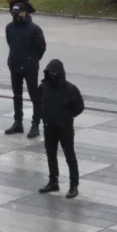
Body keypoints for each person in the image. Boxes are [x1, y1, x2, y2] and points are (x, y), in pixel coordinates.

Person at [37, 59, 84, 199]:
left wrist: (66, 116)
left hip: (65, 128)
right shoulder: (44, 87)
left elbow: (79, 107)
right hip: (49, 126)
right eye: (49, 72)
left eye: (54, 72)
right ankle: (53, 181)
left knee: (70, 155)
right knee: (50, 154)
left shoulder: (70, 89)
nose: (52, 75)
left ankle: (73, 185)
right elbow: (38, 101)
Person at [5, 2, 46, 138]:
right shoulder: (9, 28)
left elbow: (41, 47)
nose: (16, 16)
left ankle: (35, 124)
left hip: (30, 67)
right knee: (17, 95)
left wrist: (33, 60)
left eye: (18, 13)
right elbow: (10, 43)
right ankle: (18, 122)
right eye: (13, 13)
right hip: (15, 65)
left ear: (24, 13)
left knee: (34, 95)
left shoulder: (34, 29)